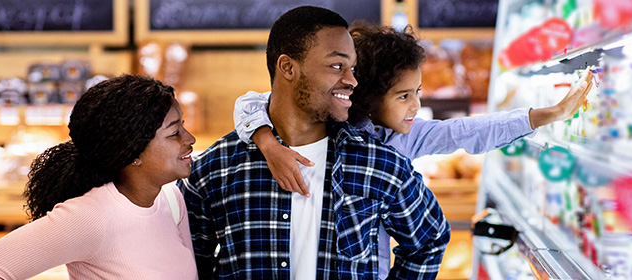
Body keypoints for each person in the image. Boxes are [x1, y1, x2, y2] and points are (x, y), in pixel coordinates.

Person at [232, 23, 594, 279]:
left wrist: (545, 115)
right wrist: (266, 141)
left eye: (418, 93)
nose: (416, 106)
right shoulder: (324, 123)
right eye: (404, 96)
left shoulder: (402, 139)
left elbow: (467, 131)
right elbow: (252, 102)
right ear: (369, 97)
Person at [180, 6, 449, 280]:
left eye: (353, 68)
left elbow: (430, 240)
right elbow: (187, 262)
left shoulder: (378, 165)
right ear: (288, 67)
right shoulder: (214, 170)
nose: (351, 80)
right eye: (337, 66)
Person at [0, 75, 198, 280]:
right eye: (175, 133)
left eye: (183, 126)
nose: (190, 139)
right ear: (133, 151)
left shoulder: (170, 198)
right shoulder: (91, 217)